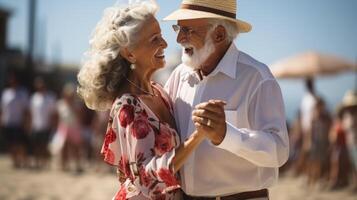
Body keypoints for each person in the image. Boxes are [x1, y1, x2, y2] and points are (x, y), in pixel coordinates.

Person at [77, 2, 212, 199]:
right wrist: (198, 136)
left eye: (161, 36)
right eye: (154, 39)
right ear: (129, 53)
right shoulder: (127, 106)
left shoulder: (159, 92)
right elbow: (146, 177)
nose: (165, 44)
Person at [163, 0, 289, 199]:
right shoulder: (179, 75)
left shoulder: (257, 77)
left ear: (219, 34)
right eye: (178, 28)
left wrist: (226, 135)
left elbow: (279, 151)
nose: (179, 39)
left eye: (187, 30)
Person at [0, 72, 30, 168]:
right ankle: (15, 161)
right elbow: (2, 109)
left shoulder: (22, 93)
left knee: (20, 144)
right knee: (11, 143)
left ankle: (22, 160)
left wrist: (26, 122)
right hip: (8, 122)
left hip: (19, 123)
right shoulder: (5, 94)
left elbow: (26, 110)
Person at [29, 76, 56, 169]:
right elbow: (31, 113)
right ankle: (37, 163)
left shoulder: (50, 97)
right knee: (36, 146)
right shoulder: (34, 98)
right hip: (36, 126)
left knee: (45, 146)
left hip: (46, 126)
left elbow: (53, 114)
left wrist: (53, 126)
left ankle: (45, 163)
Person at [338, 90, 357, 190]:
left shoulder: (352, 114)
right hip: (350, 142)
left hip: (354, 142)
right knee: (353, 165)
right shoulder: (347, 114)